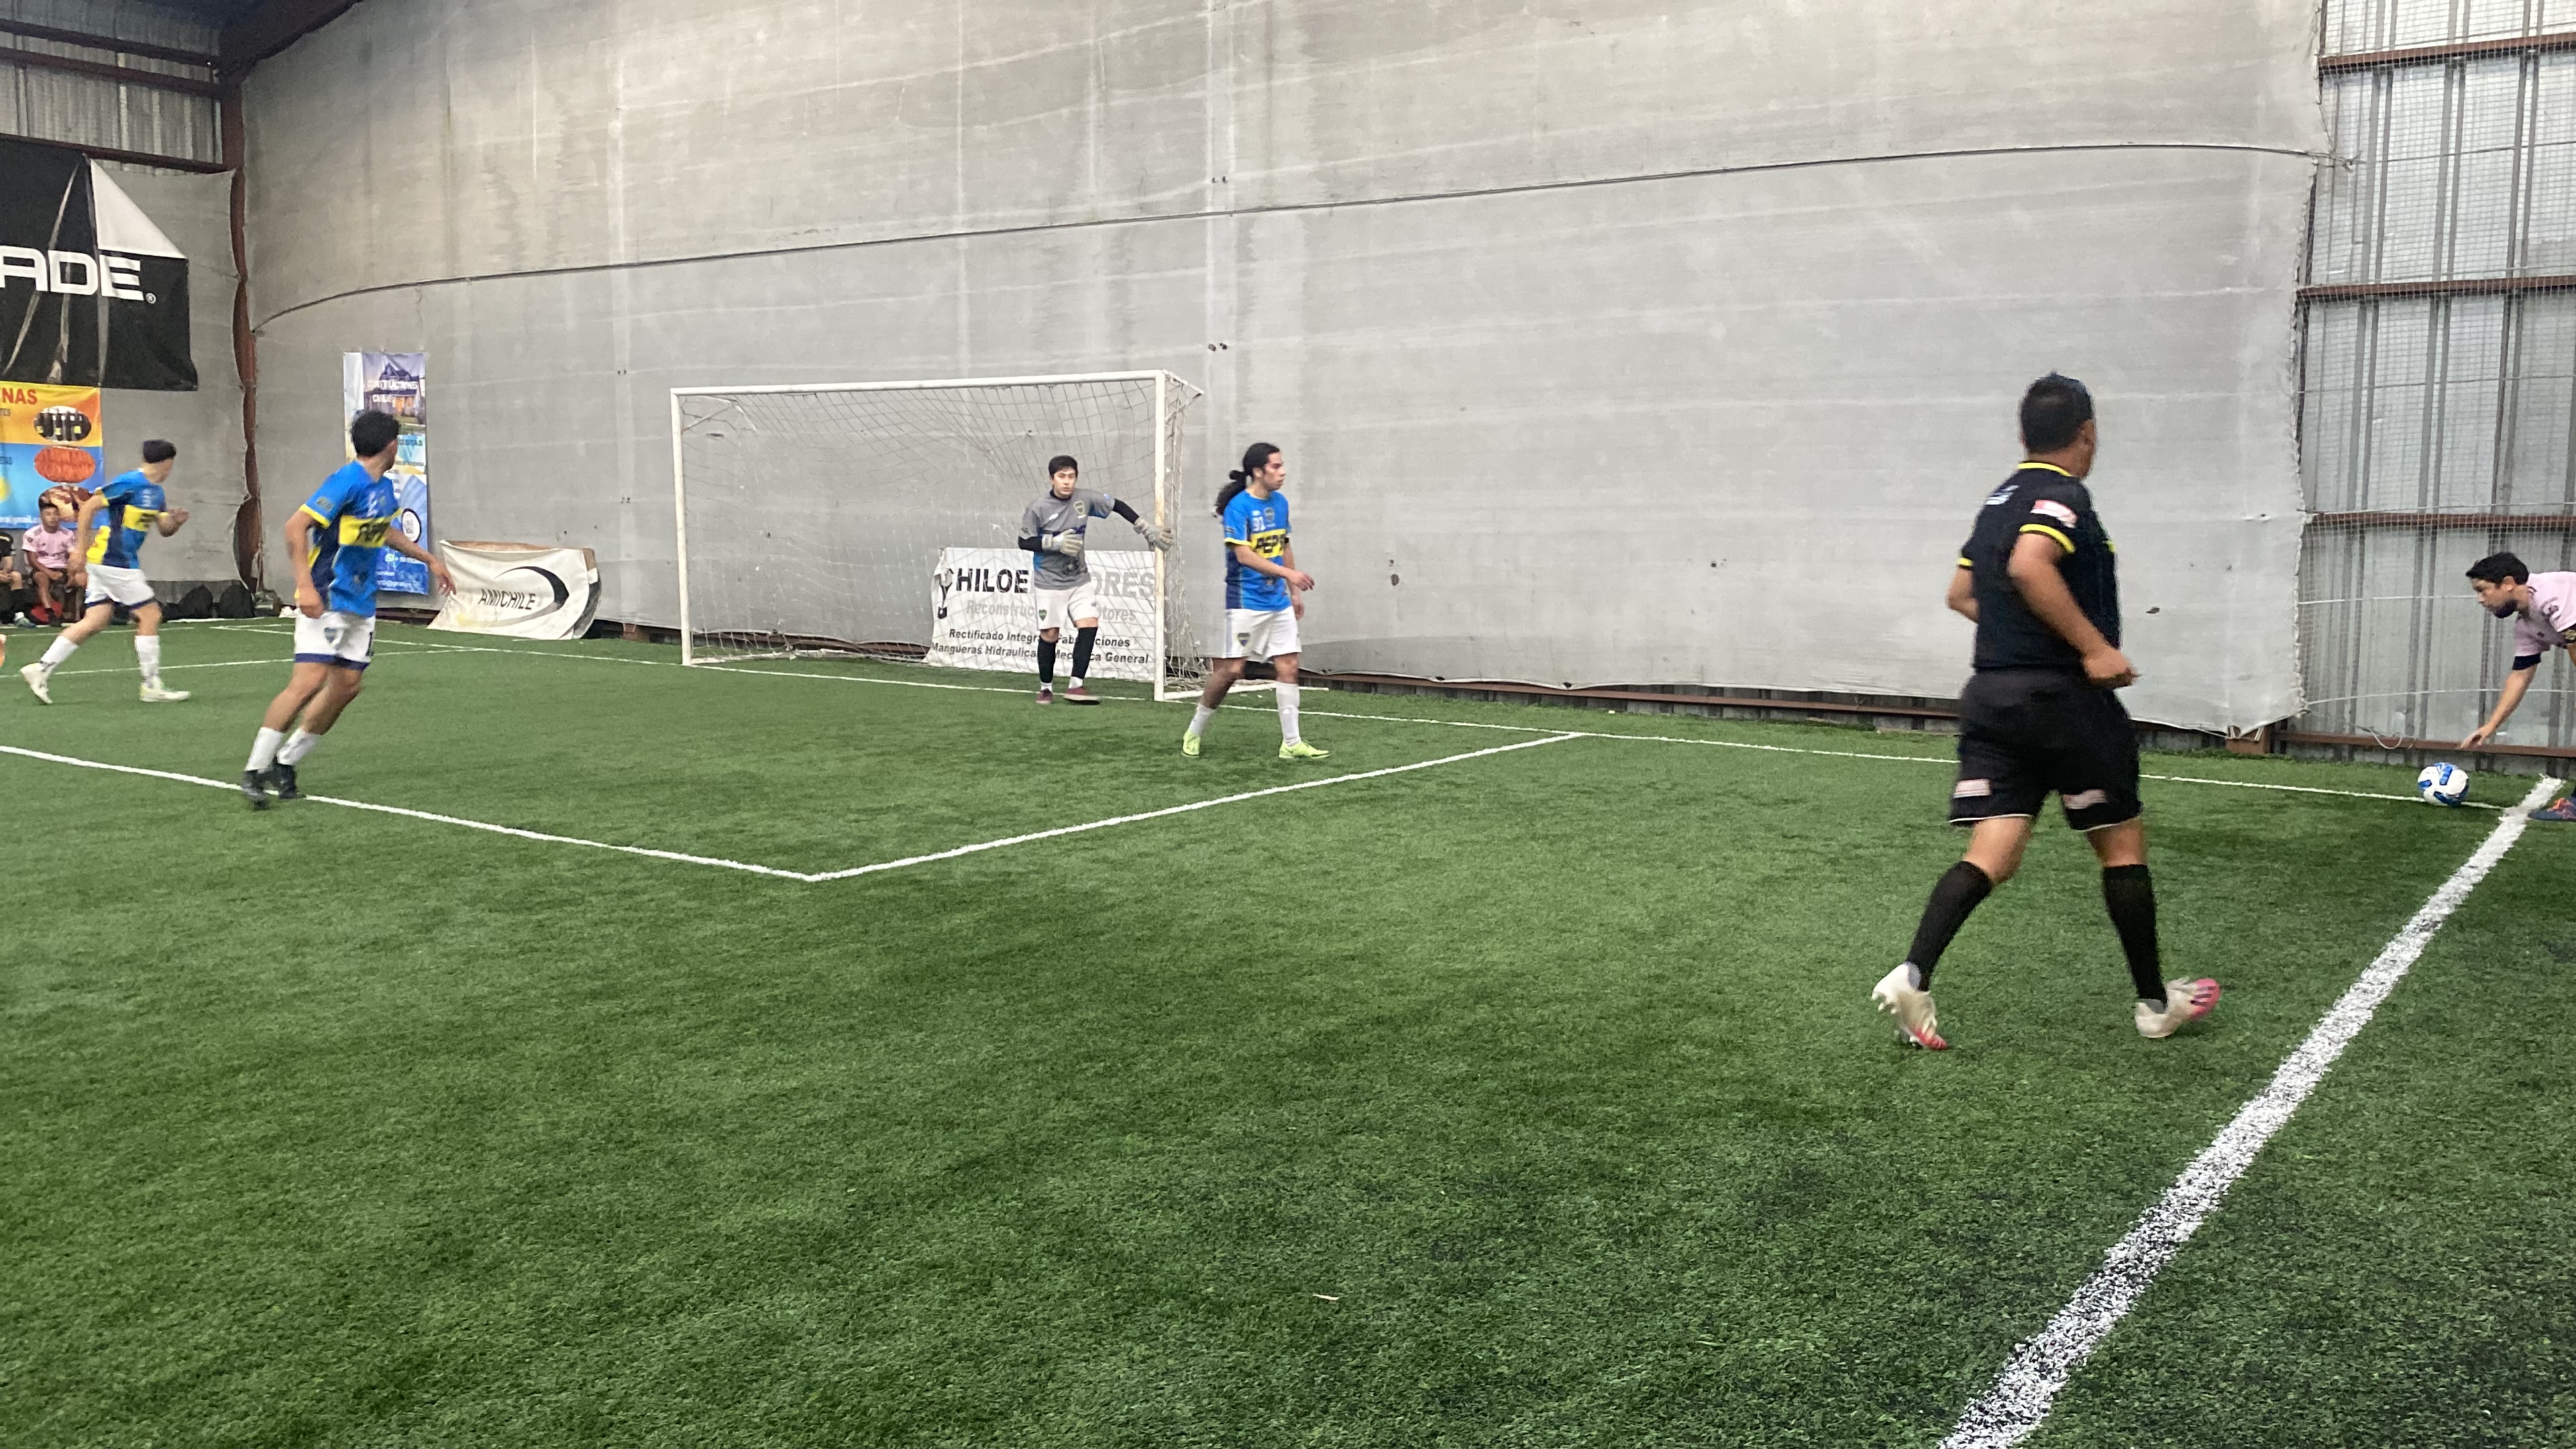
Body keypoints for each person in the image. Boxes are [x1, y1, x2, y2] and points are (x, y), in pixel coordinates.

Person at [1870, 374, 2219, 1049]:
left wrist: (2021, 636)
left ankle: (1914, 973)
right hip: (2064, 702)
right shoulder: (2064, 495)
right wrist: (2092, 649)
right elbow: (2032, 566)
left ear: (2022, 433)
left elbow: (1962, 593)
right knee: (2120, 844)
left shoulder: (1997, 503)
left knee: (1993, 853)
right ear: (2087, 433)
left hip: (1993, 698)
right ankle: (2155, 1005)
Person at [239, 411, 453, 809]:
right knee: (308, 683)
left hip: (360, 600)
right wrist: (304, 586)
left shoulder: (383, 487)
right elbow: (294, 526)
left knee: (347, 687)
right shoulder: (346, 481)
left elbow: (383, 531)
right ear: (392, 445)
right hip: (328, 596)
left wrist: (429, 559)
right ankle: (254, 770)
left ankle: (285, 763)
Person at [1180, 443, 1327, 761]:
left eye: (1282, 465)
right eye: (1276, 466)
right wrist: (1289, 573)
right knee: (1232, 670)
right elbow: (1244, 556)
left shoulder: (1281, 503)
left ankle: (1291, 743)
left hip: (1278, 601)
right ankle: (1194, 730)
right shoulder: (1238, 508)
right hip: (1245, 601)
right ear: (1258, 472)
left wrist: (1294, 591)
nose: (1283, 472)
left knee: (1289, 666)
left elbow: (1284, 546)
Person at [20, 440, 192, 704]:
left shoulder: (157, 493)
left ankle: (41, 668)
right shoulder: (130, 482)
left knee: (96, 620)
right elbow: (89, 507)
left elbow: (164, 529)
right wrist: (79, 549)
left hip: (111, 561)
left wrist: (176, 523)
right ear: (168, 462)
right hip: (114, 559)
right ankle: (152, 686)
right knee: (151, 615)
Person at [1014, 454, 1172, 703]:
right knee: (1050, 635)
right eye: (1062, 477)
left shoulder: (1085, 499)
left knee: (1089, 624)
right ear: (1052, 479)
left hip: (1079, 578)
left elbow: (1117, 505)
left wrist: (1144, 527)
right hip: (1049, 581)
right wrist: (1053, 543)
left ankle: (1076, 685)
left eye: (1071, 476)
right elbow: (1024, 541)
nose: (1067, 481)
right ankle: (1046, 688)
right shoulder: (1038, 507)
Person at [2458, 551, 2576, 821]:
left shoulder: (2553, 594)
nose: (2480, 599)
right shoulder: (2527, 624)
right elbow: (2520, 675)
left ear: (2508, 583)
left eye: (2483, 590)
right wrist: (2491, 725)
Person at [21, 497, 78, 624]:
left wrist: (72, 573)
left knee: (81, 578)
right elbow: (32, 560)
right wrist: (50, 573)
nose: (53, 517)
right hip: (41, 568)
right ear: (41, 517)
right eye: (48, 514)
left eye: (55, 514)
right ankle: (50, 613)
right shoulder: (32, 534)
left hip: (62, 568)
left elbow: (73, 557)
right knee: (42, 578)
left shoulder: (67, 534)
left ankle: (76, 614)